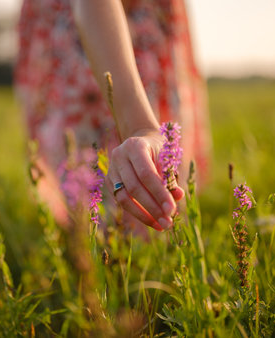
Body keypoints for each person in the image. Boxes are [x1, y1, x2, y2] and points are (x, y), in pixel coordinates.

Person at [15, 0, 211, 231]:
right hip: (90, 27)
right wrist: (141, 127)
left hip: (146, 23)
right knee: (87, 202)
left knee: (150, 202)